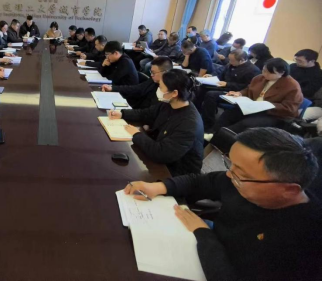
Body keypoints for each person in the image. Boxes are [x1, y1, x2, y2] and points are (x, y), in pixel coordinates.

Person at [124, 128, 322, 281]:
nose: (229, 174)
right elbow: (201, 181)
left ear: (288, 190)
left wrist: (203, 232)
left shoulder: (304, 242)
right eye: (230, 163)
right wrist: (160, 187)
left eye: (240, 172)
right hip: (212, 243)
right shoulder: (241, 181)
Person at [109, 70, 204, 176]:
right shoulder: (170, 103)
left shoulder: (189, 124)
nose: (158, 90)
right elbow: (147, 113)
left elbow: (161, 154)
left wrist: (137, 134)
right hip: (160, 153)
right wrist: (123, 114)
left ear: (174, 93)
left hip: (176, 173)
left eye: (160, 87)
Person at [211, 58, 303, 136]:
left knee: (245, 124)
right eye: (264, 70)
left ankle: (221, 138)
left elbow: (290, 108)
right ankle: (213, 134)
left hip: (274, 114)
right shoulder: (260, 78)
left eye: (269, 73)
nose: (264, 74)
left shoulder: (292, 86)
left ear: (281, 73)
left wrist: (266, 105)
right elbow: (248, 89)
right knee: (228, 114)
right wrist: (240, 93)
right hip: (253, 107)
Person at [196, 50, 261, 132]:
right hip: (224, 86)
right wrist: (211, 75)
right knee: (202, 87)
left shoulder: (253, 70)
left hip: (236, 92)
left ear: (242, 60)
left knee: (211, 95)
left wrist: (227, 84)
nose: (229, 62)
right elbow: (221, 71)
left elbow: (247, 87)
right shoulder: (231, 64)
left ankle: (208, 123)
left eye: (232, 60)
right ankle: (197, 112)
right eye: (229, 59)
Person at [103, 57, 173, 110]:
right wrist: (112, 88)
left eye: (154, 73)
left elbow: (150, 113)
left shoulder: (167, 92)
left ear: (165, 73)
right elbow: (137, 88)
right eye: (151, 72)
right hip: (137, 110)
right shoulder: (153, 80)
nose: (151, 75)